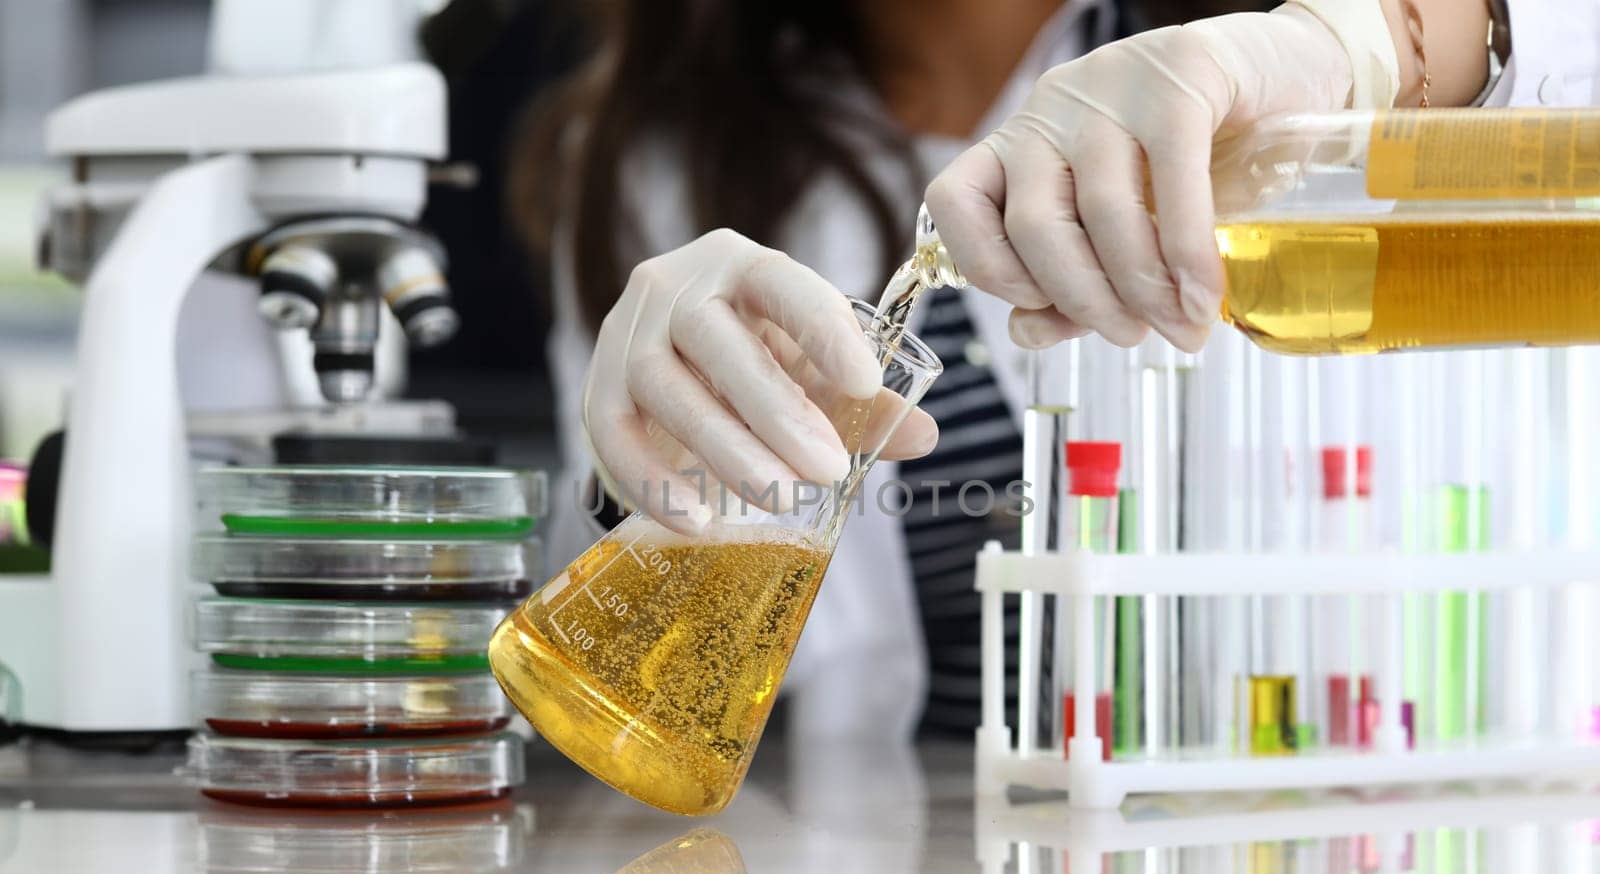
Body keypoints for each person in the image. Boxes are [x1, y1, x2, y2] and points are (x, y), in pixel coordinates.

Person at [517, 0, 1593, 739]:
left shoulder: (1274, 59)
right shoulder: (651, 157)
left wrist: (1359, 41)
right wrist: (645, 481)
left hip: (1391, 868)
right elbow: (645, 657)